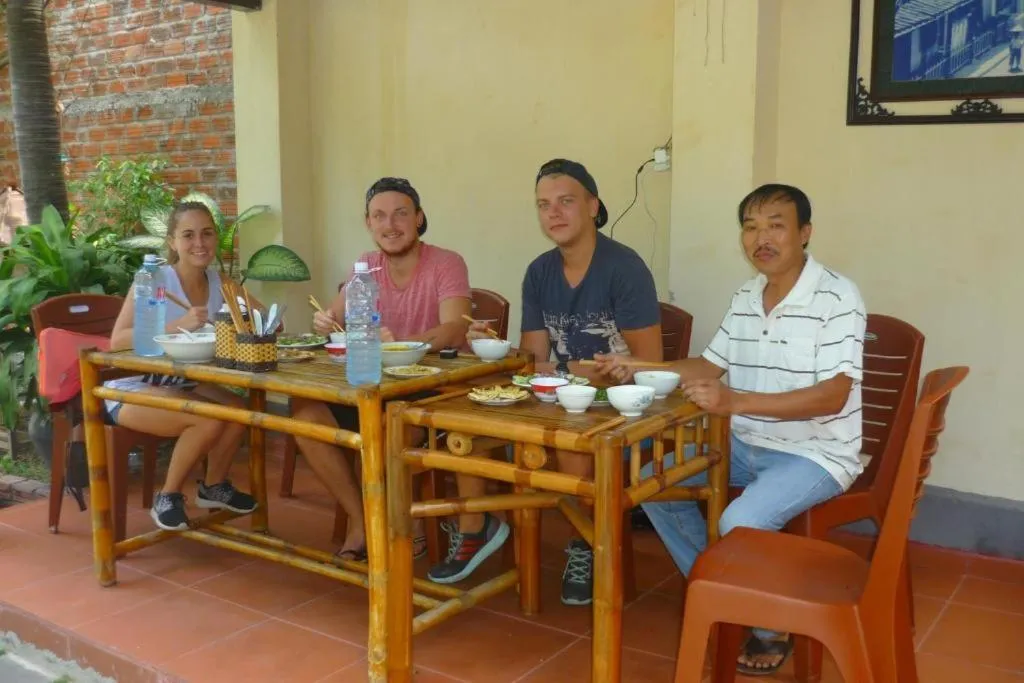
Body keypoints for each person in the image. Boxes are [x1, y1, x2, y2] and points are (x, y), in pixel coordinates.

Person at [597, 183, 865, 676]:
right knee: (658, 486)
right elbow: (709, 366)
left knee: (738, 522)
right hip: (746, 442)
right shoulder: (746, 294)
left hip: (818, 453)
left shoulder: (837, 295)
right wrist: (634, 365)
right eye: (750, 226)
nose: (761, 238)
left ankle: (768, 626)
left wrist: (735, 401)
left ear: (804, 233)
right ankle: (729, 595)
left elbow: (834, 395)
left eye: (776, 225)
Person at [428, 158, 662, 607]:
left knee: (570, 446)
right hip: (556, 395)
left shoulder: (623, 268)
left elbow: (650, 360)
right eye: (543, 205)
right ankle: (478, 531)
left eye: (566, 202)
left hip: (615, 405)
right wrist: (490, 344)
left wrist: (566, 372)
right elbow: (533, 359)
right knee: (463, 423)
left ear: (593, 206)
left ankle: (586, 545)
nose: (553, 213)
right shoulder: (539, 272)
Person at [293, 176, 472, 560]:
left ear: (419, 218)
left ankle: (410, 526)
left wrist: (407, 345)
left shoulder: (446, 262)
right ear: (369, 224)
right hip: (371, 387)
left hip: (426, 389)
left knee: (389, 427)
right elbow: (334, 318)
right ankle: (363, 520)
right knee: (306, 417)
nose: (390, 225)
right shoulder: (366, 268)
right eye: (379, 216)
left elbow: (456, 328)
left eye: (400, 214)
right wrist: (325, 322)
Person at [107, 201, 256, 531]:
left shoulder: (220, 283)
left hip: (182, 381)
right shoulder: (154, 280)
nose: (199, 243)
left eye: (206, 234)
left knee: (237, 411)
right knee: (206, 422)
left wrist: (256, 320)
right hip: (132, 385)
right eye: (188, 235)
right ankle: (168, 496)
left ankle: (213, 486)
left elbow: (263, 318)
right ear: (173, 242)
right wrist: (179, 324)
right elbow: (118, 340)